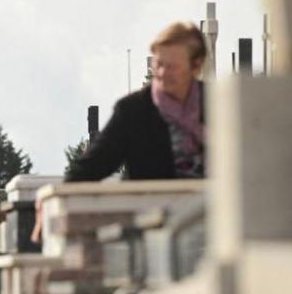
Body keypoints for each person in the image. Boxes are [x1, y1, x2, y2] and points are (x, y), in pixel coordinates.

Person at [66, 21, 207, 181]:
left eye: (172, 67)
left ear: (196, 66)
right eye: (158, 64)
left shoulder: (221, 106)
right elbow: (88, 170)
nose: (162, 73)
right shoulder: (132, 111)